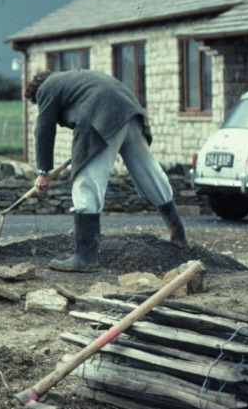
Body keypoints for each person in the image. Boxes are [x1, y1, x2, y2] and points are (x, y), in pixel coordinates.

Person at [25, 69, 188, 271]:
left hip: (100, 120)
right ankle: (179, 237)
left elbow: (44, 129)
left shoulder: (47, 88)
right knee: (151, 175)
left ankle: (85, 258)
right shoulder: (77, 79)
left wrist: (43, 172)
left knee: (86, 182)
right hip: (131, 115)